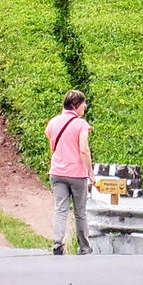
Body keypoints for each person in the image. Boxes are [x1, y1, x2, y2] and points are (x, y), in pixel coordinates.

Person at [46, 90, 93, 256]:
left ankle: (57, 243)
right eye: (83, 103)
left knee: (60, 209)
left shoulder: (53, 122)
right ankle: (84, 247)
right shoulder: (81, 124)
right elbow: (84, 150)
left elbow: (53, 146)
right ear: (75, 105)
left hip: (57, 173)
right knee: (80, 212)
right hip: (77, 174)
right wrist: (90, 173)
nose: (85, 107)